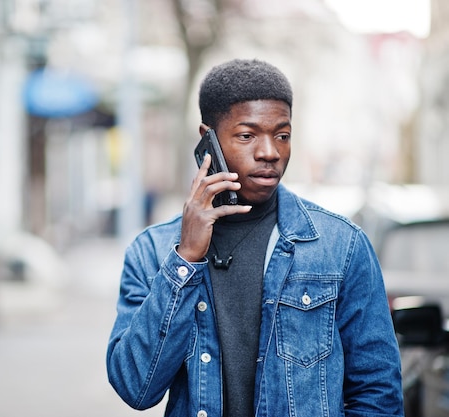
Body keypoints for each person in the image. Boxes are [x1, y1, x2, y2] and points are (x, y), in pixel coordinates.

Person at [106, 58, 403, 417]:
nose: (270, 152)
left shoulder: (341, 246)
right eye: (247, 135)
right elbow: (135, 387)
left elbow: (377, 391)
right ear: (208, 140)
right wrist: (185, 259)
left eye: (282, 135)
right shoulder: (153, 252)